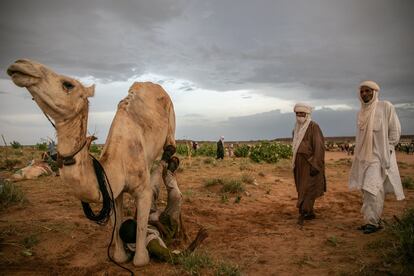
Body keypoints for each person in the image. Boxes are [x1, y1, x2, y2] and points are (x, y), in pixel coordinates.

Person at [120, 157, 208, 262]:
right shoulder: (152, 243)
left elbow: (138, 219)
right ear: (138, 235)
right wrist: (196, 242)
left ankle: (162, 164)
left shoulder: (129, 234)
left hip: (153, 218)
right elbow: (175, 258)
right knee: (176, 197)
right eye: (138, 225)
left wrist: (155, 222)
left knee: (150, 190)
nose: (139, 224)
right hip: (167, 224)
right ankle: (169, 173)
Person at [349, 81, 405, 234]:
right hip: (363, 157)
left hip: (379, 156)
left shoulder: (385, 107)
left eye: (368, 91)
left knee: (372, 188)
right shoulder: (360, 112)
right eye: (362, 91)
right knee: (367, 190)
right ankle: (371, 220)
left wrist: (387, 149)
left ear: (375, 92)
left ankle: (373, 223)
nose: (365, 94)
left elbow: (395, 131)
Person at [292, 103, 326, 225]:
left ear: (307, 114)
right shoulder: (296, 128)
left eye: (302, 113)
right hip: (298, 163)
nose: (299, 115)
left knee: (308, 187)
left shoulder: (313, 127)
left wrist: (316, 164)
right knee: (301, 187)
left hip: (310, 162)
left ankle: (307, 211)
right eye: (297, 113)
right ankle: (304, 209)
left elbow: (319, 146)